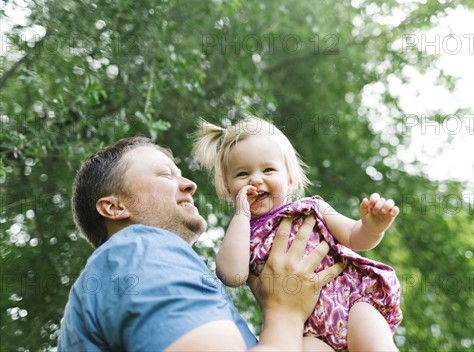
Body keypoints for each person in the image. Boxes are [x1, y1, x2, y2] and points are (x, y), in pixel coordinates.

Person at [57, 136, 345, 351]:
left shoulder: (117, 274)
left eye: (181, 173)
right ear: (115, 207)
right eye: (165, 174)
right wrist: (286, 311)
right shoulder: (140, 246)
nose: (189, 184)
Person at [193, 116, 402, 352]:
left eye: (268, 169)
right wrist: (241, 215)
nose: (256, 179)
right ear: (228, 189)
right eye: (242, 174)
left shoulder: (313, 207)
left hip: (352, 302)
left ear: (290, 179)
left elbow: (355, 237)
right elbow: (232, 275)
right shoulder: (242, 236)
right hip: (306, 330)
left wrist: (372, 227)